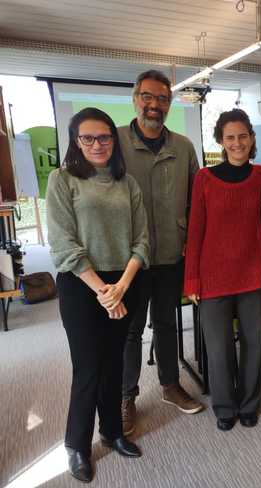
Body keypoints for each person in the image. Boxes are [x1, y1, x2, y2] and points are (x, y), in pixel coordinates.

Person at [47, 107, 149, 482]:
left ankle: (112, 432)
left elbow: (142, 241)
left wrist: (121, 286)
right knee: (88, 367)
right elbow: (63, 244)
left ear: (113, 140)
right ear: (76, 141)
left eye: (104, 137)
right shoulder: (62, 179)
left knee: (113, 364)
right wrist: (104, 291)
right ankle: (77, 445)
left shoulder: (127, 183)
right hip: (81, 284)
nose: (96, 144)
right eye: (87, 137)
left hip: (124, 281)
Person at [118, 70, 203, 436]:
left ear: (169, 104)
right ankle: (126, 395)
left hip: (171, 254)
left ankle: (170, 385)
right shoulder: (115, 142)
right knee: (130, 330)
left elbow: (197, 200)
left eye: (163, 99)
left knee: (167, 323)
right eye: (148, 97)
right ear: (135, 99)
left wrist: (192, 242)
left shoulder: (183, 147)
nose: (154, 105)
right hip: (129, 260)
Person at [184, 108, 261, 431]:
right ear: (221, 142)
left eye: (242, 136)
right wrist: (191, 279)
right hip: (212, 278)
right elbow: (195, 231)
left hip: (252, 274)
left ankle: (249, 403)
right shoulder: (204, 178)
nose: (237, 143)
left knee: (252, 343)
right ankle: (225, 407)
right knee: (219, 347)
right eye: (230, 138)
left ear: (251, 138)